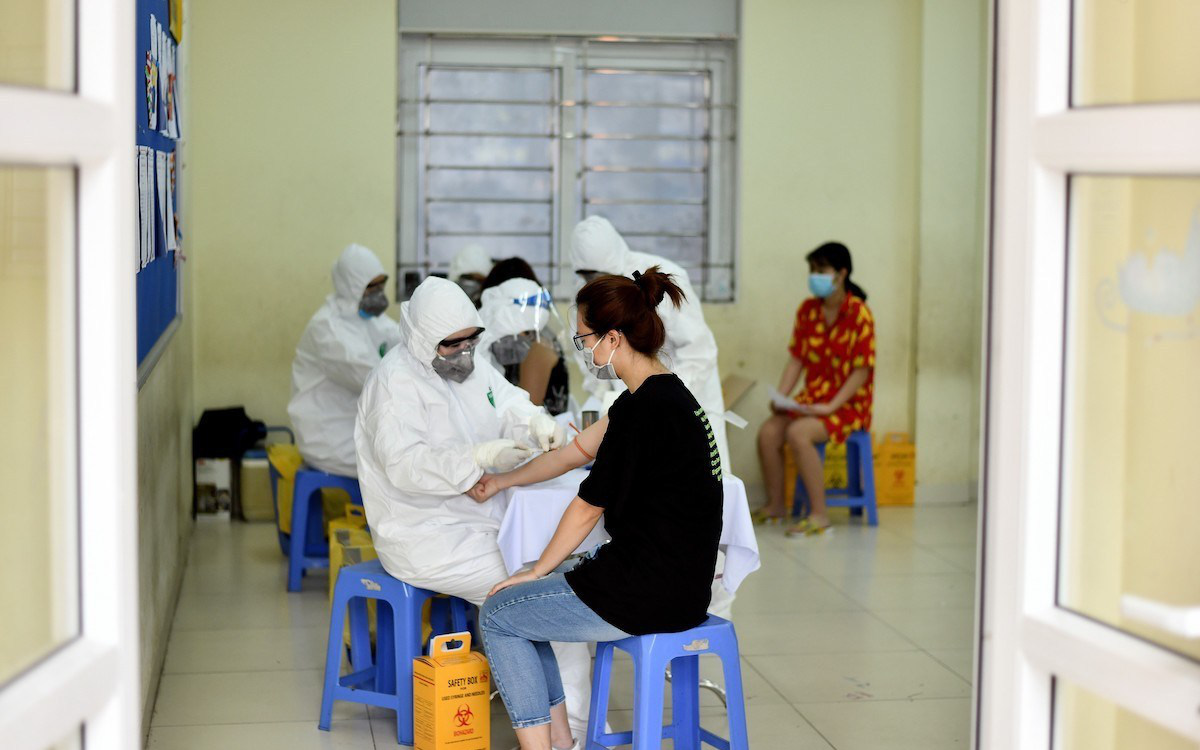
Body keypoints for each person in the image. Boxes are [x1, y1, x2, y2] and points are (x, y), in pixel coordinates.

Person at [471, 268, 724, 750]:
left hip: (649, 589)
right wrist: (501, 479)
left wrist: (538, 570)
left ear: (613, 337)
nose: (583, 350)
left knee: (500, 612)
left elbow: (587, 506)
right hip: (681, 583)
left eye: (585, 338)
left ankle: (544, 747)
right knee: (525, 602)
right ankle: (560, 742)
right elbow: (572, 454)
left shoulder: (640, 411)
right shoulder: (665, 394)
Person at [353, 276, 601, 737]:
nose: (465, 351)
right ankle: (567, 734)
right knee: (537, 599)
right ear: (425, 340)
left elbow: (506, 401)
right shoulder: (394, 384)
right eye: (453, 345)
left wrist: (536, 423)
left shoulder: (467, 364)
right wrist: (477, 459)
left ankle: (559, 734)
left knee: (547, 579)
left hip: (479, 519)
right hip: (425, 535)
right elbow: (406, 466)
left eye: (472, 340)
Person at [569, 216, 729, 468]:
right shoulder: (587, 291)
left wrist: (659, 399)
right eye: (586, 274)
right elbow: (588, 350)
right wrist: (604, 398)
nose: (593, 279)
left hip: (685, 401)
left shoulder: (656, 280)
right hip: (633, 408)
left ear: (615, 259)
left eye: (599, 273)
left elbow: (700, 353)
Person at [754, 241, 875, 535]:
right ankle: (776, 506)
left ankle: (820, 515)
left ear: (841, 273)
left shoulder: (859, 314)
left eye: (821, 269)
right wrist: (782, 397)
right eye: (812, 269)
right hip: (812, 400)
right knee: (769, 432)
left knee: (799, 433)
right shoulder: (808, 311)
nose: (814, 275)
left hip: (848, 406)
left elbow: (861, 371)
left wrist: (830, 407)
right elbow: (797, 359)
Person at [287, 243, 400, 477]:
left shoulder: (370, 320)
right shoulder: (327, 328)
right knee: (403, 465)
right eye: (372, 287)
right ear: (353, 287)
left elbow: (403, 339)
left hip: (354, 424)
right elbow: (371, 378)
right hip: (329, 436)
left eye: (381, 284)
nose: (379, 292)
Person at [478, 278, 570, 415]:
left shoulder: (496, 364)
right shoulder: (475, 361)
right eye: (527, 333)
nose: (531, 342)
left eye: (534, 335)